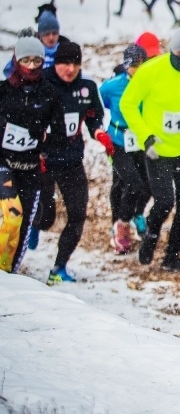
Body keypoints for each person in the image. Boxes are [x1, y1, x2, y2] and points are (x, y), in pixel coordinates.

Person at [119, 27, 180, 271]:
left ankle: (172, 255)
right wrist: (146, 138)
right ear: (170, 51)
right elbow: (128, 104)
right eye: (179, 53)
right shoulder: (151, 71)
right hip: (158, 150)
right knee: (164, 201)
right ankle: (151, 238)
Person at [32, 42, 112, 284]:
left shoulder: (86, 88)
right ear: (55, 63)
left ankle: (58, 268)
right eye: (65, 63)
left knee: (78, 214)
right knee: (47, 219)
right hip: (44, 159)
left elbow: (93, 117)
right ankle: (35, 223)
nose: (70, 69)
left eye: (76, 64)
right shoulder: (41, 84)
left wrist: (99, 133)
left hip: (71, 159)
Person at [0, 31, 65, 274]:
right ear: (17, 61)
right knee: (12, 216)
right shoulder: (4, 91)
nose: (31, 66)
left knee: (24, 223)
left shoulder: (49, 93)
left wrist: (45, 136)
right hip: (3, 163)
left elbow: (61, 134)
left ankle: (10, 274)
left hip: (31, 168)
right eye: (26, 61)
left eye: (36, 61)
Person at [100, 45, 151, 254]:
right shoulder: (112, 86)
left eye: (141, 65)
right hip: (118, 141)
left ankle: (136, 214)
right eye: (134, 66)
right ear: (126, 65)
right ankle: (121, 227)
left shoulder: (149, 85)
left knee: (147, 183)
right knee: (131, 182)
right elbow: (101, 100)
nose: (137, 70)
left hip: (141, 140)